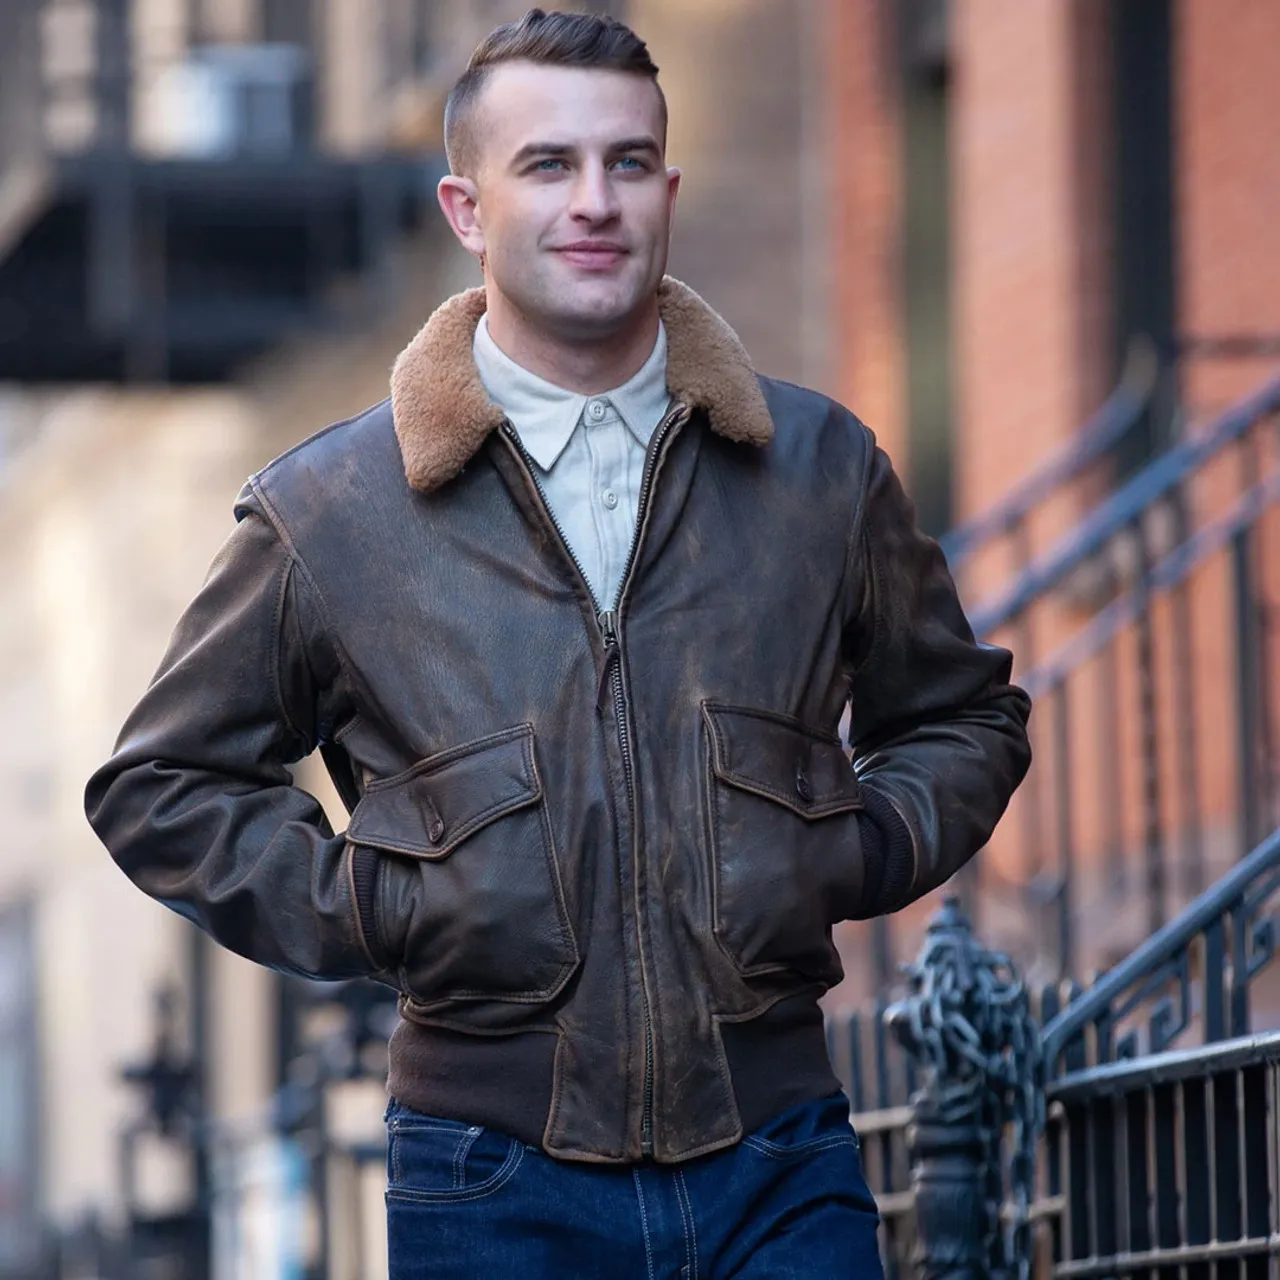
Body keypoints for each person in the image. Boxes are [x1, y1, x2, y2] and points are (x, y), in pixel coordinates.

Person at [86, 9, 1032, 1277]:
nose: (594, 201)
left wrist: (854, 846)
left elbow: (963, 720)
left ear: (667, 191)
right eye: (547, 166)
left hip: (778, 1151)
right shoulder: (333, 513)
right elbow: (159, 785)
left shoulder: (817, 471)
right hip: (488, 1178)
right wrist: (376, 902)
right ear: (467, 210)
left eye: (626, 162)